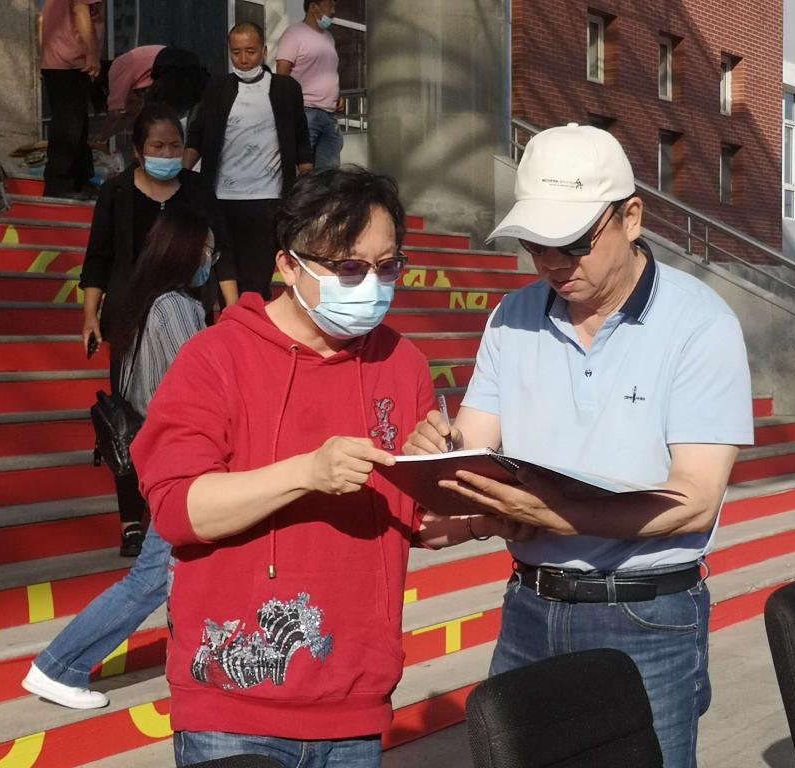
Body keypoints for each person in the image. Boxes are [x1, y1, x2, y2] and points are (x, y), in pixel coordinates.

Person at [403, 123, 754, 768]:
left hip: (647, 618)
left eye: (571, 243)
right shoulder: (512, 317)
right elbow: (473, 445)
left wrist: (555, 515)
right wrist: (442, 456)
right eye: (535, 244)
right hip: (530, 606)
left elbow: (694, 500)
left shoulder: (700, 324)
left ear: (631, 217)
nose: (552, 263)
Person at [131, 168, 461, 768]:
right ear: (288, 264)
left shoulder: (403, 362)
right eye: (349, 268)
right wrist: (306, 473)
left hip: (357, 700)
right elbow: (178, 509)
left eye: (387, 266)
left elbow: (418, 523)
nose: (371, 285)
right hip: (233, 705)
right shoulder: (215, 357)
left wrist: (461, 489)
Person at [22, 205, 212, 709]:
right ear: (187, 252)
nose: (211, 260)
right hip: (184, 456)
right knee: (151, 577)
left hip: (164, 450)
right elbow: (203, 383)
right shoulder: (176, 307)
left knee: (180, 570)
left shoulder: (144, 301)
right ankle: (59, 664)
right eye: (208, 251)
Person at [80, 103, 239, 557]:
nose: (168, 154)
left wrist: (232, 308)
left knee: (167, 408)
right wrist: (90, 315)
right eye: (158, 146)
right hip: (129, 315)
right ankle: (133, 520)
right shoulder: (117, 193)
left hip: (186, 306)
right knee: (128, 415)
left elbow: (222, 252)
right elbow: (98, 257)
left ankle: (170, 509)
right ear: (137, 150)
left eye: (175, 145)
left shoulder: (196, 190)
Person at [184, 22, 313, 299]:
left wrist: (306, 180)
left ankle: (252, 323)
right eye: (236, 52)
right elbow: (198, 133)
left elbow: (301, 135)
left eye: (251, 51)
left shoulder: (285, 88)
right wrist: (183, 173)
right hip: (221, 198)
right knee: (224, 277)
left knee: (256, 280)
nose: (243, 59)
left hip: (268, 200)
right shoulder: (218, 87)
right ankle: (230, 323)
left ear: (264, 51)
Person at [39, 0, 104, 199]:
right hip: (69, 61)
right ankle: (60, 184)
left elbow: (41, 21)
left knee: (78, 123)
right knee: (69, 125)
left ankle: (80, 180)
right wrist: (92, 54)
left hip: (60, 59)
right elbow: (81, 11)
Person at [275, 0, 344, 169]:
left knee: (329, 174)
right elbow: (282, 74)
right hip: (306, 112)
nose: (333, 11)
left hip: (330, 115)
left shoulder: (329, 38)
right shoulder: (294, 33)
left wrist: (337, 94)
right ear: (314, 7)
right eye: (330, 5)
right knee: (302, 171)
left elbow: (328, 70)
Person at [90, 44, 166, 150]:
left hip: (171, 65)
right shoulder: (139, 76)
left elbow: (114, 114)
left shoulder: (117, 71)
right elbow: (132, 113)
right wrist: (104, 137)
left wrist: (101, 139)